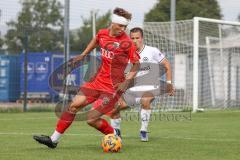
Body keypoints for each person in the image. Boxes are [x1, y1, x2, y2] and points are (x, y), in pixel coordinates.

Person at [33, 7, 140, 148]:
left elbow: (136, 64)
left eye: (125, 26)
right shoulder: (102, 34)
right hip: (96, 81)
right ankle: (53, 140)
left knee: (91, 119)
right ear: (113, 23)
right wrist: (83, 54)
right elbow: (96, 40)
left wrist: (127, 82)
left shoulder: (127, 43)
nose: (123, 29)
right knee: (73, 106)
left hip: (112, 87)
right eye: (120, 25)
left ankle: (115, 133)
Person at [94, 27, 174, 141]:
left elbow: (167, 65)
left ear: (142, 38)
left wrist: (169, 83)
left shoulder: (152, 51)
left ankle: (143, 131)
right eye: (132, 38)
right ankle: (116, 134)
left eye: (137, 38)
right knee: (114, 108)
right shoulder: (124, 55)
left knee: (145, 100)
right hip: (132, 90)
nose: (135, 40)